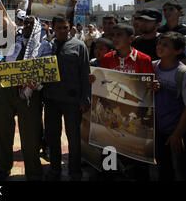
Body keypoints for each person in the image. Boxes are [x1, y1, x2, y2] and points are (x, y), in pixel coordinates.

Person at [0, 15, 48, 181]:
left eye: (31, 24)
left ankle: (33, 172)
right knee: (4, 132)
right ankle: (4, 168)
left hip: (29, 94)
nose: (27, 26)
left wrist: (37, 84)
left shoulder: (44, 46)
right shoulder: (14, 40)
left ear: (37, 28)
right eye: (25, 23)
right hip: (7, 92)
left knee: (30, 136)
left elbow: (48, 69)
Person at [99, 23, 154, 180]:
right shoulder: (108, 58)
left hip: (135, 118)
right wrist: (94, 80)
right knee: (110, 157)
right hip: (112, 118)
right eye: (113, 35)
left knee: (137, 159)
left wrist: (154, 86)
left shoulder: (144, 59)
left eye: (119, 35)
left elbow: (148, 88)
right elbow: (102, 85)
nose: (114, 38)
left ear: (131, 38)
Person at [43, 15, 91, 181]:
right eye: (59, 28)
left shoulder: (79, 46)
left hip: (72, 101)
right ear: (53, 28)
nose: (62, 31)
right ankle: (55, 169)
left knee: (74, 138)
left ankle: (75, 171)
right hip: (51, 100)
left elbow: (86, 74)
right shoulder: (47, 46)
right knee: (52, 137)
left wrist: (85, 99)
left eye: (65, 27)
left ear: (69, 27)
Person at [152, 32, 186, 180]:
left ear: (178, 51)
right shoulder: (153, 67)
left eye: (166, 45)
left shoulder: (182, 73)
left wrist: (177, 134)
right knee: (163, 169)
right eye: (159, 43)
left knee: (180, 169)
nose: (160, 46)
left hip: (176, 131)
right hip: (157, 130)